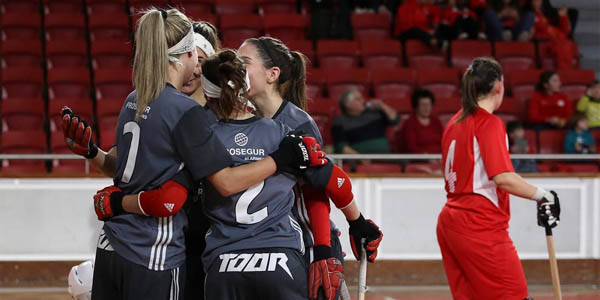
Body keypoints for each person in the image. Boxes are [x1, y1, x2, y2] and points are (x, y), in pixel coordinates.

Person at [60, 8, 325, 300]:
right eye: (193, 58)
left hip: (120, 242)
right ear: (185, 56)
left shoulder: (135, 97)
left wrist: (95, 160)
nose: (196, 67)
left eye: (202, 62)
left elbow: (124, 167)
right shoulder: (188, 114)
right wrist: (281, 158)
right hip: (159, 249)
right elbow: (201, 189)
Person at [239, 36, 383, 300]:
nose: (236, 68)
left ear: (272, 74)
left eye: (244, 62)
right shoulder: (242, 119)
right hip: (267, 246)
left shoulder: (297, 123)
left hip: (308, 245)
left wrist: (324, 249)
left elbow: (317, 190)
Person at [437, 57, 560, 299]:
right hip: (479, 225)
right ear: (498, 87)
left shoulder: (454, 122)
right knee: (514, 295)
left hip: (450, 222)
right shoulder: (489, 123)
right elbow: (502, 176)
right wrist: (542, 195)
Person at [332, 88, 401, 154]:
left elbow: (395, 120)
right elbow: (341, 146)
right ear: (347, 104)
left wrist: (382, 106)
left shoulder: (375, 113)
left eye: (362, 98)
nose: (363, 101)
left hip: (385, 157)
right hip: (359, 162)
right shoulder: (340, 121)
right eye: (358, 99)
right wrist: (360, 158)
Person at [524, 0, 577, 69]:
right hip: (546, 42)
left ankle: (566, 73)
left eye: (539, 0)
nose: (537, 2)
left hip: (560, 40)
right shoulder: (529, 15)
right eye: (535, 0)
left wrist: (563, 17)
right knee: (563, 46)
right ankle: (564, 73)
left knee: (567, 44)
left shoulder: (550, 14)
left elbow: (565, 32)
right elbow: (537, 31)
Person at [400, 89, 443, 154]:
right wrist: (427, 157)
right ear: (416, 106)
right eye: (423, 105)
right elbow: (411, 147)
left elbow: (443, 141)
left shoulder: (436, 122)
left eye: (429, 104)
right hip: (421, 159)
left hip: (439, 157)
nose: (426, 108)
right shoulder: (409, 123)